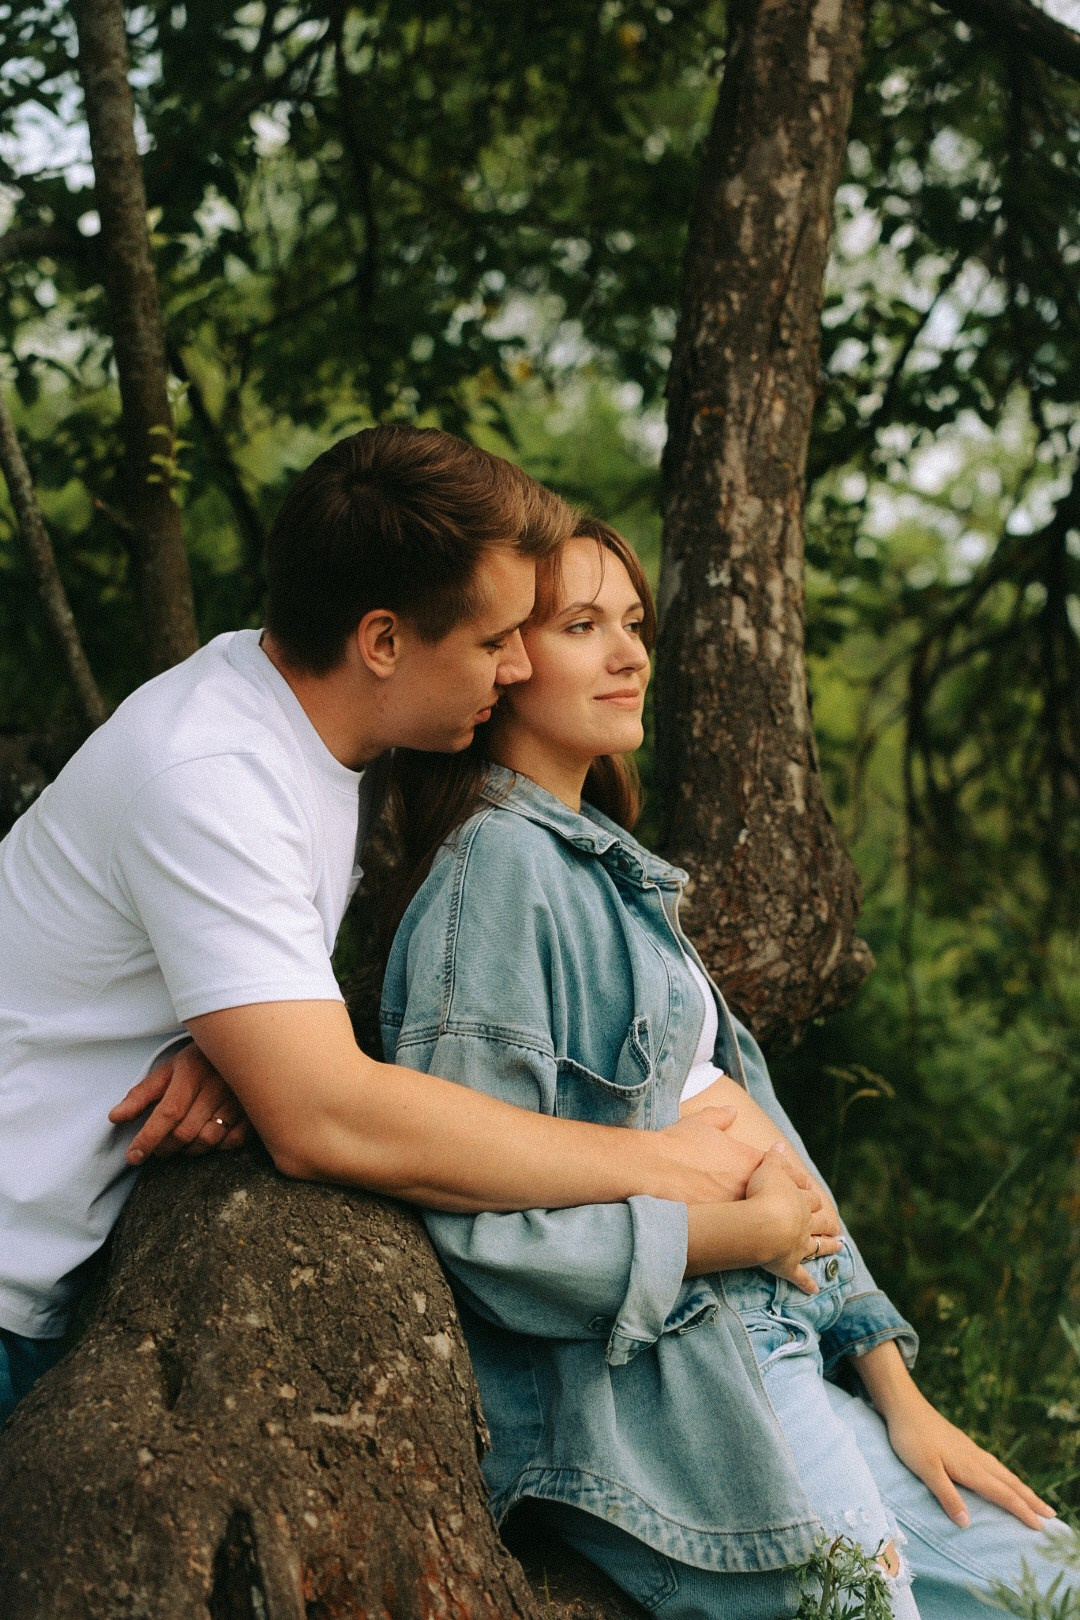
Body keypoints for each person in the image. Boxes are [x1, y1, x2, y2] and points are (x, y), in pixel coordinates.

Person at [0, 428, 793, 1425]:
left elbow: (326, 1031)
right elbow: (326, 1122)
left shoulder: (320, 724)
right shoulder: (210, 774)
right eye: (495, 641)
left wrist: (235, 1040)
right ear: (382, 642)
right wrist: (662, 1166)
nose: (515, 670)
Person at [380, 519, 1076, 1619]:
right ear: (507, 661)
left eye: (634, 624)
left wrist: (897, 1392)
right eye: (582, 625)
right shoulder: (499, 877)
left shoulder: (608, 876)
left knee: (1051, 1587)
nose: (630, 654)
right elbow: (481, 1232)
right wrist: (735, 1236)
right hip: (684, 1383)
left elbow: (774, 1147)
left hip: (790, 1338)